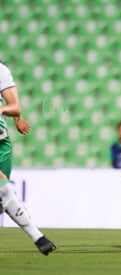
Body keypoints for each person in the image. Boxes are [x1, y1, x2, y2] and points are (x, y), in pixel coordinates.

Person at [0, 61, 57, 255]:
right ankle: (39, 238)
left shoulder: (1, 70)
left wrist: (14, 117)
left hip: (2, 143)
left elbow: (14, 106)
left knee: (1, 202)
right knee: (5, 189)